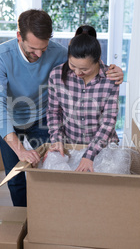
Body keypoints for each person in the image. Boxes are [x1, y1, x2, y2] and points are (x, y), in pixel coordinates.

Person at [0, 10, 123, 206]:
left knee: (53, 171)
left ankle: (50, 214)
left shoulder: (58, 53)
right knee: (15, 177)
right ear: (19, 37)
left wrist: (114, 71)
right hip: (8, 119)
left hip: (42, 118)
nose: (39, 54)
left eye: (44, 47)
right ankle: (26, 220)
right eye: (32, 49)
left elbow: (86, 60)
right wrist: (20, 151)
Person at [46, 25, 120, 172]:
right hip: (71, 148)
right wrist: (57, 139)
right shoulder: (56, 75)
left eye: (85, 69)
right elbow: (54, 112)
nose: (78, 72)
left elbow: (108, 121)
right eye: (73, 66)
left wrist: (89, 155)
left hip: (103, 149)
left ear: (98, 60)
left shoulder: (111, 78)